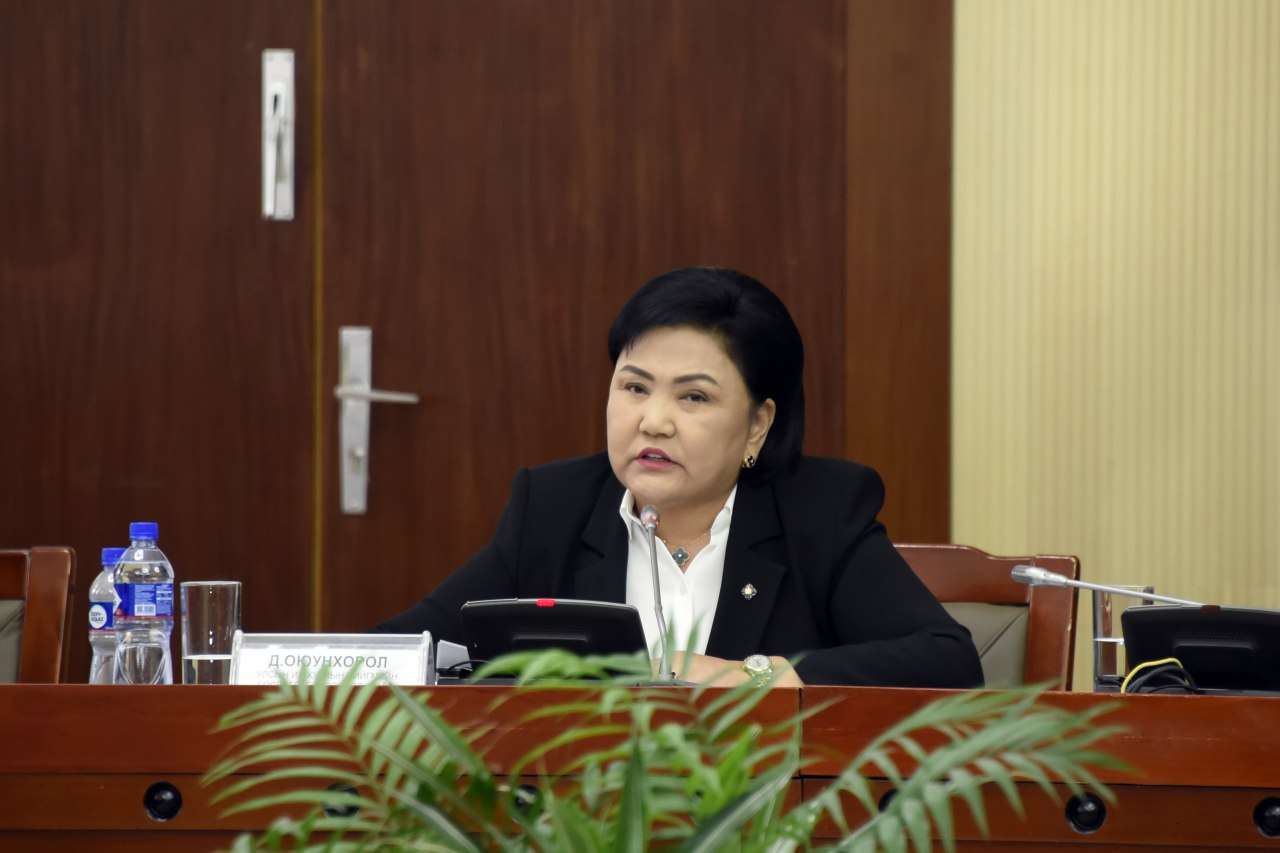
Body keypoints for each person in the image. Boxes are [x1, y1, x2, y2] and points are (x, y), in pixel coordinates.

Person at [376, 266, 983, 688]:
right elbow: (399, 651)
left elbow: (948, 661)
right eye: (634, 387)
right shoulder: (553, 507)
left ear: (757, 424)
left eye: (693, 397)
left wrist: (754, 676)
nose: (654, 421)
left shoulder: (818, 512)